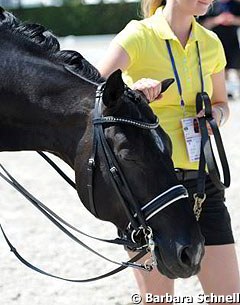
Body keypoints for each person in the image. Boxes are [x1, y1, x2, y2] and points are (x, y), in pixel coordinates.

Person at [97, 0, 240, 304]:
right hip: (149, 189)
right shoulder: (138, 36)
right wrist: (132, 94)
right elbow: (94, 93)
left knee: (228, 298)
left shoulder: (212, 43)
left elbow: (221, 104)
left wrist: (215, 118)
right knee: (158, 301)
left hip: (202, 183)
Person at [200, 0, 240, 98]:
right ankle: (225, 91)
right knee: (222, 68)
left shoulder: (235, 4)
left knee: (237, 66)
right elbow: (203, 23)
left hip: (233, 42)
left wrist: (233, 19)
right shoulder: (212, 5)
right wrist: (217, 20)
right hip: (218, 42)